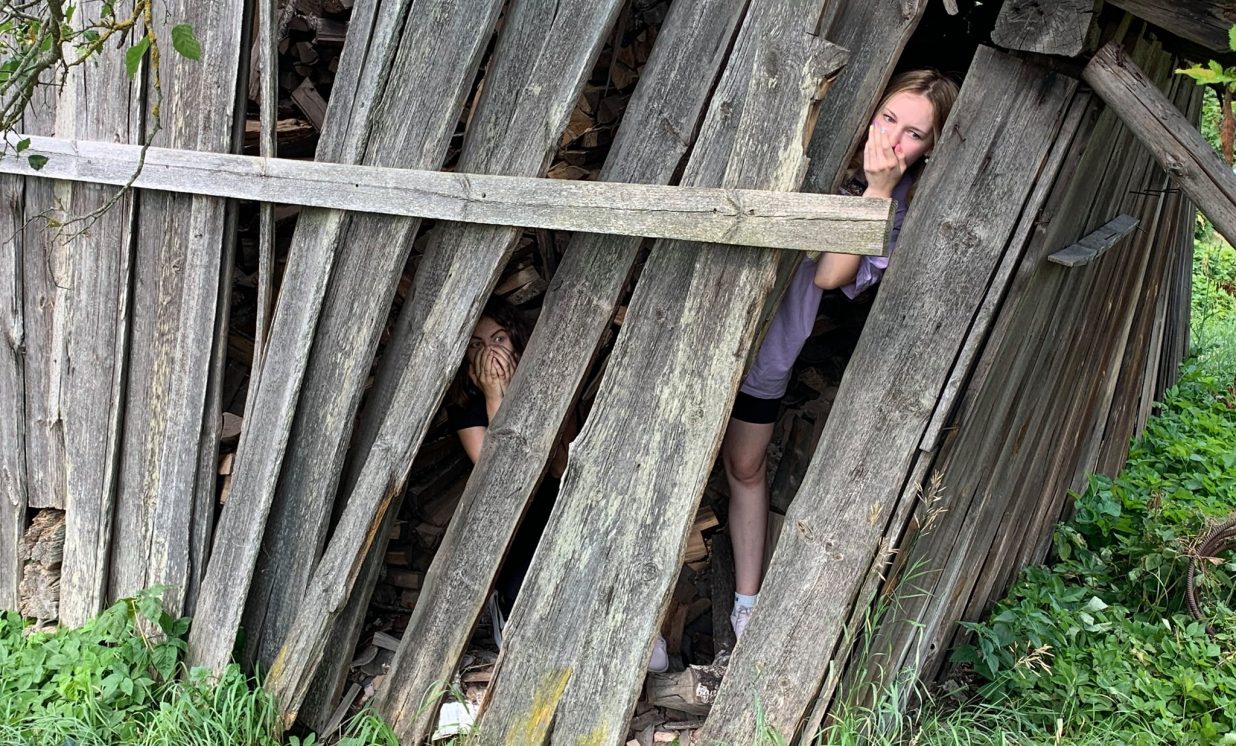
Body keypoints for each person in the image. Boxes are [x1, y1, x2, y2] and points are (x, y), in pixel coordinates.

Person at [720, 69, 959, 639]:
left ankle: (746, 605)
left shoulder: (900, 207)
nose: (893, 139)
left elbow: (830, 275)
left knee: (745, 466)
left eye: (914, 133)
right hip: (709, 325)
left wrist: (876, 192)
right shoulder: (820, 146)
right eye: (888, 118)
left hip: (770, 349)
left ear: (930, 148)